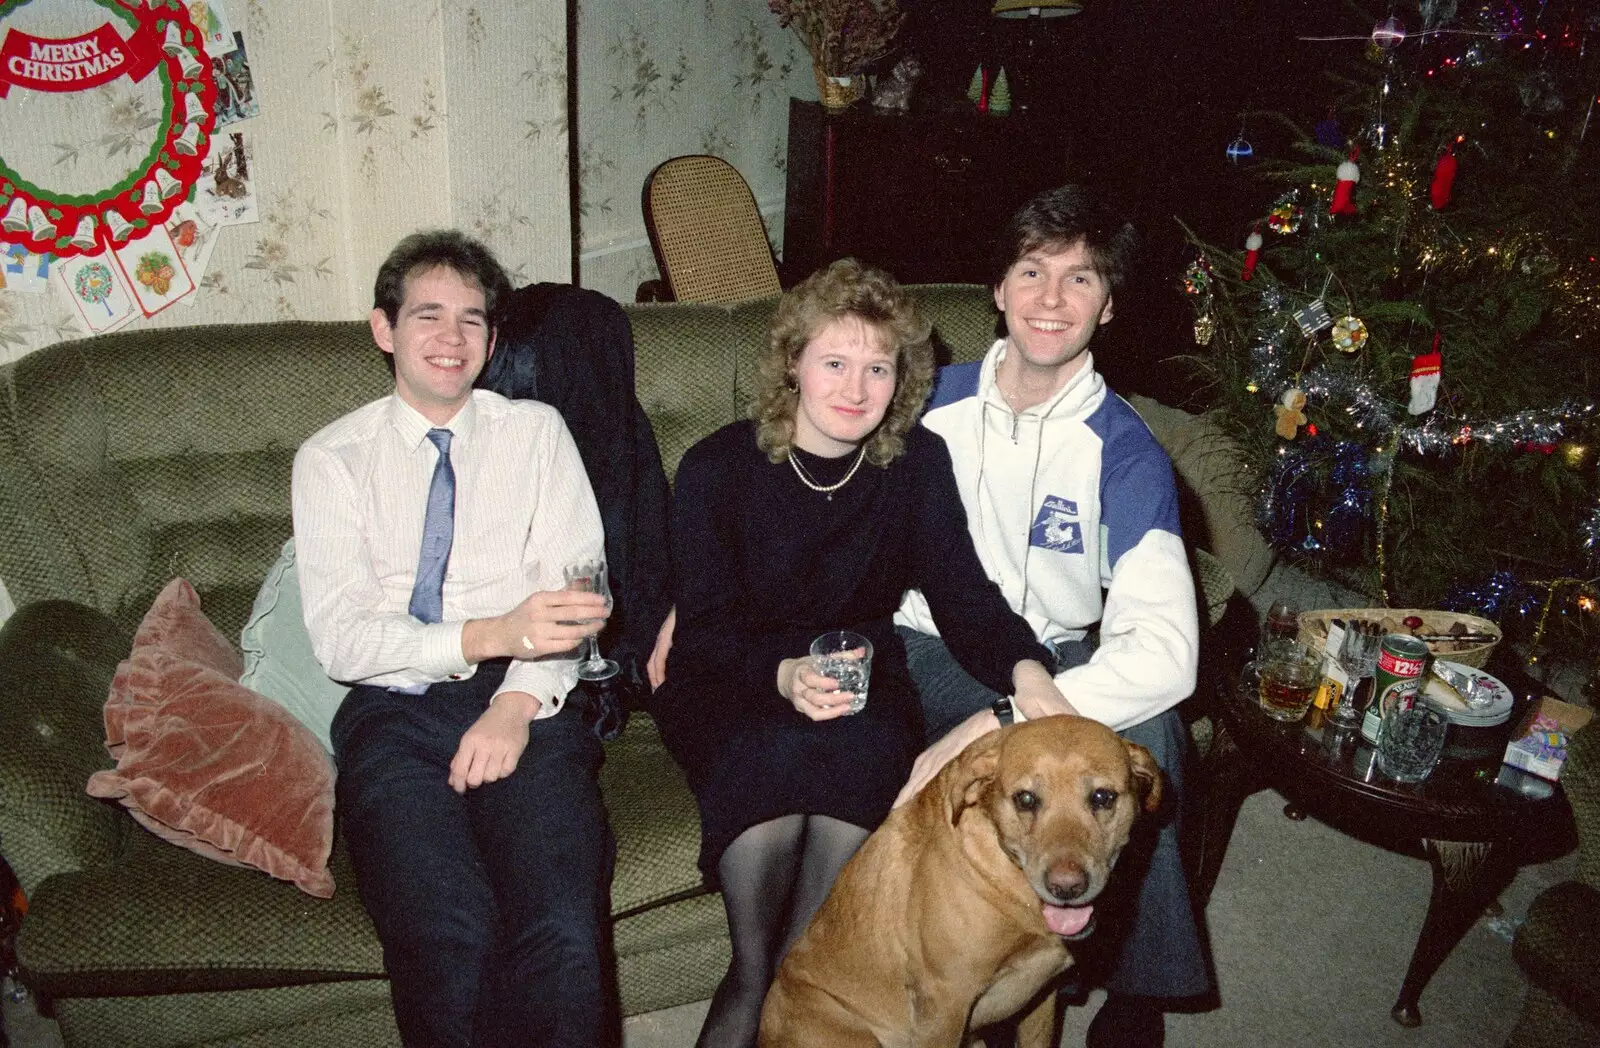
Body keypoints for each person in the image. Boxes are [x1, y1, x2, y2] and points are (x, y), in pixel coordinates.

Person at [647, 259, 1070, 1048]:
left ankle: (795, 982)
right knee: (761, 921)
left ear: (901, 380)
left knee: (851, 793)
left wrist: (1028, 671)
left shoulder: (915, 466)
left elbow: (964, 597)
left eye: (879, 367)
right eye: (834, 362)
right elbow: (699, 635)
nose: (856, 386)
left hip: (859, 677)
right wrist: (781, 675)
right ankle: (751, 978)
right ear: (793, 366)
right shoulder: (717, 468)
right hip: (733, 677)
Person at [893, 184, 1211, 1047]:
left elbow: (1171, 649)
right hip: (926, 638)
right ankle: (1005, 975)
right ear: (996, 289)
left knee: (1154, 726)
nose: (1049, 300)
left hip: (1062, 654)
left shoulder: (1126, 449)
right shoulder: (922, 403)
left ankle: (1139, 993)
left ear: (1108, 306)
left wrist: (1002, 717)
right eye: (1031, 272)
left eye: (1079, 281)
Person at [292, 230, 618, 1048]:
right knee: (450, 939)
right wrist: (490, 631)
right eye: (428, 315)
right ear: (384, 329)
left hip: (529, 696)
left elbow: (576, 601)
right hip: (393, 714)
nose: (451, 339)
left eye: (472, 320)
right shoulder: (332, 460)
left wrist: (513, 702)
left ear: (493, 340)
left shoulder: (537, 434)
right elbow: (344, 640)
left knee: (565, 935)